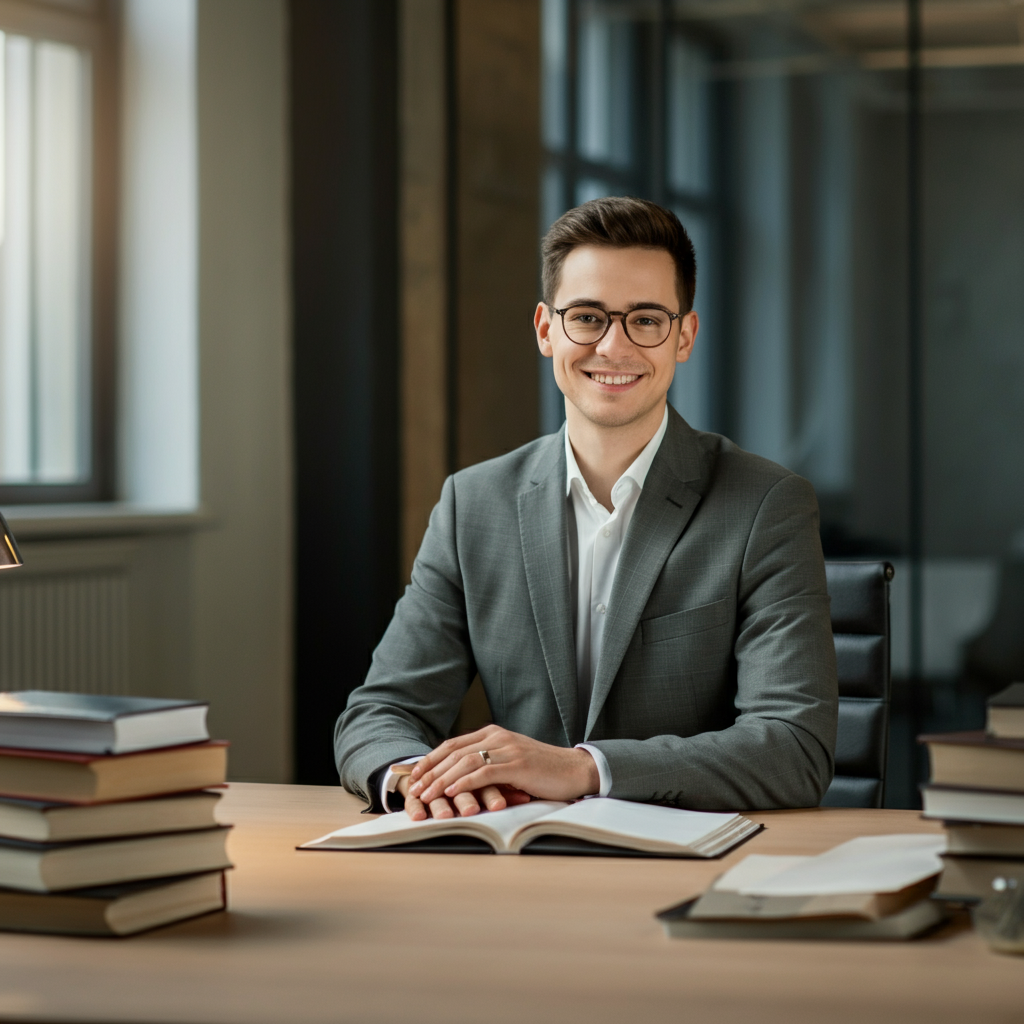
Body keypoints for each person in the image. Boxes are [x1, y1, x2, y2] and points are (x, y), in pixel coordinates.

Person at [335, 196, 838, 820]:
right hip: (516, 866)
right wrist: (423, 780)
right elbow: (380, 713)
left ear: (684, 336)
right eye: (589, 317)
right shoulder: (474, 504)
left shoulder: (766, 505)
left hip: (690, 867)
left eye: (647, 319)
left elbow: (794, 748)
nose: (613, 346)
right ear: (547, 330)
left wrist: (582, 769)